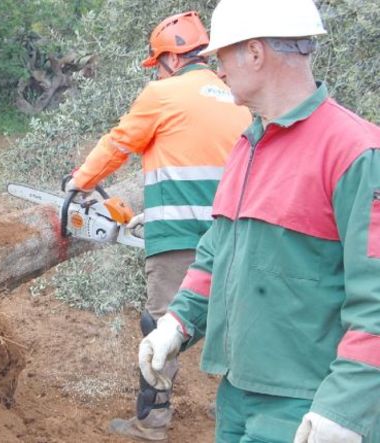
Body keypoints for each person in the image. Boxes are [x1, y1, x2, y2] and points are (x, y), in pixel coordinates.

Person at [138, 0, 380, 442]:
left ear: (255, 53)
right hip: (236, 397)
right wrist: (178, 321)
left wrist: (347, 408)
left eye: (223, 57)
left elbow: (377, 301)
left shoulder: (356, 154)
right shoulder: (248, 145)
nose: (219, 71)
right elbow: (217, 251)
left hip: (309, 406)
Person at [65, 10, 251, 441]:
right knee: (237, 326)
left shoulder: (162, 94)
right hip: (236, 235)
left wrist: (80, 183)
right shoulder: (235, 94)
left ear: (169, 59)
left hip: (179, 238)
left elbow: (119, 143)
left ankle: (152, 421)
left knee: (161, 325)